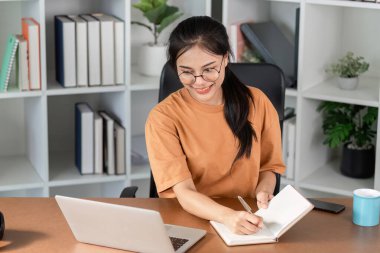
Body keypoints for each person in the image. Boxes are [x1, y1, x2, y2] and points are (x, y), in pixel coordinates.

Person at [145, 16, 285, 235]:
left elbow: (269, 167)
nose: (199, 82)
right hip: (188, 218)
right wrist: (227, 217)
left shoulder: (258, 102)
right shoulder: (163, 117)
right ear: (175, 68)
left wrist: (264, 190)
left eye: (209, 69)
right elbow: (184, 192)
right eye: (187, 72)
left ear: (226, 59)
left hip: (246, 217)